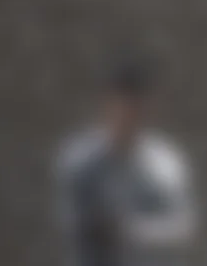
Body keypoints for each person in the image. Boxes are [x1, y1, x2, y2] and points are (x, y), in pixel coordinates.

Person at [55, 61, 196, 266]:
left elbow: (183, 227)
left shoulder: (164, 162)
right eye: (120, 108)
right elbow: (68, 220)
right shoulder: (80, 159)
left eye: (134, 110)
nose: (125, 117)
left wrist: (129, 230)